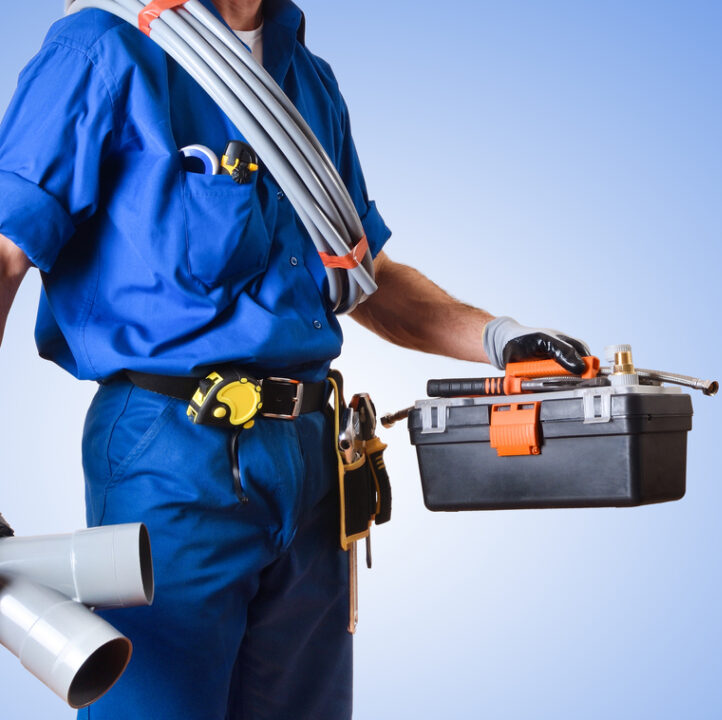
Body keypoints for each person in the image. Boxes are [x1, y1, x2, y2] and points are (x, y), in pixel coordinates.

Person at [0, 0, 588, 717]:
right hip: (171, 452)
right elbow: (4, 255)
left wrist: (501, 339)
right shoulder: (103, 47)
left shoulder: (307, 80)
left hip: (314, 460)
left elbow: (360, 275)